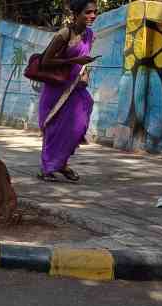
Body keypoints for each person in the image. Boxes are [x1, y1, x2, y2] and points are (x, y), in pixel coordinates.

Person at [36, 0, 99, 182]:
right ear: (76, 13)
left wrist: (84, 72)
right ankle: (48, 168)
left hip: (75, 88)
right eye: (88, 12)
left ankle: (61, 163)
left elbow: (82, 60)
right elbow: (44, 62)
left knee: (77, 126)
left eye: (95, 12)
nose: (92, 16)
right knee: (55, 129)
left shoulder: (89, 34)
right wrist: (73, 62)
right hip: (57, 89)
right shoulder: (64, 34)